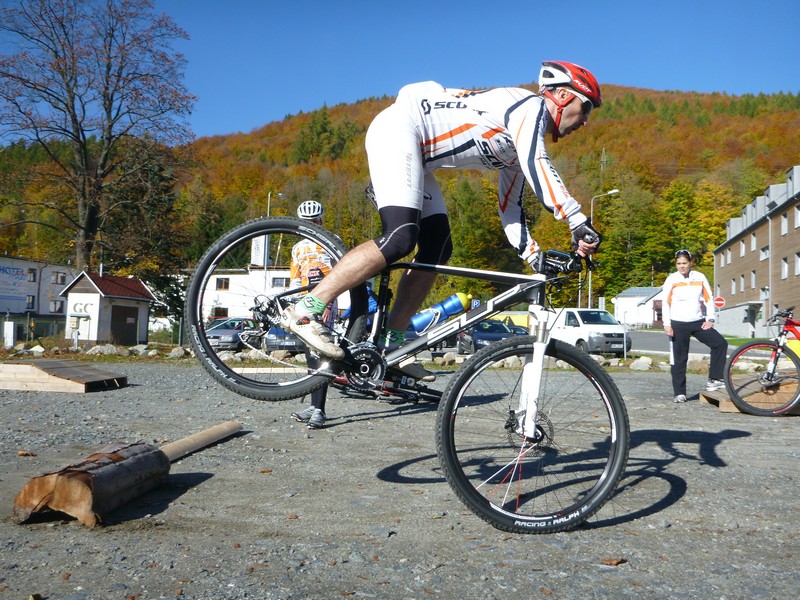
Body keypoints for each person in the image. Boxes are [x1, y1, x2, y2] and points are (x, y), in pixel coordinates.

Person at [281, 61, 603, 365]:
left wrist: (534, 256)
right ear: (562, 95)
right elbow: (539, 166)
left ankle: (391, 345)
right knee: (401, 237)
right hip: (399, 129)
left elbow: (511, 210)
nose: (586, 120)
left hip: (419, 155)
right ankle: (306, 309)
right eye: (586, 107)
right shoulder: (528, 108)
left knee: (438, 247)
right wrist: (577, 221)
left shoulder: (519, 146)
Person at [288, 200, 335, 428]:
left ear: (321, 221)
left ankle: (320, 410)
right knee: (310, 354)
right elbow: (296, 279)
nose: (312, 226)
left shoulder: (330, 242)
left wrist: (329, 304)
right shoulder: (297, 249)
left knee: (321, 353)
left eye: (315, 221)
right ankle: (314, 406)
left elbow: (341, 274)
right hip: (305, 302)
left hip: (325, 301)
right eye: (307, 223)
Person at [662, 249, 728, 403]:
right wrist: (667, 324)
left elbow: (709, 299)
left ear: (690, 263)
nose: (682, 266)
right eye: (679, 264)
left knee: (720, 343)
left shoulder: (700, 277)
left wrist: (710, 318)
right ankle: (679, 393)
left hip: (698, 322)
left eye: (684, 263)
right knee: (679, 358)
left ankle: (714, 380)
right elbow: (666, 302)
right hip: (678, 323)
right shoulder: (671, 279)